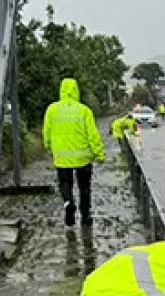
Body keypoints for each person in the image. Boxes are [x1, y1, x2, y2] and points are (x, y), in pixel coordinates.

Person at [43, 78, 104, 227]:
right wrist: (99, 152)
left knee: (65, 184)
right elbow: (92, 135)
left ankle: (68, 203)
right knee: (84, 187)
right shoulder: (84, 111)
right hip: (83, 157)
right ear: (76, 91)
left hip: (62, 158)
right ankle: (85, 216)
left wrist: (49, 147)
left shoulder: (52, 109)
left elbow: (47, 132)